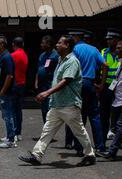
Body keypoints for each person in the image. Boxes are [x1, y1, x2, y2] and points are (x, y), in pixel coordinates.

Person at [19, 35, 96, 167]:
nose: (57, 45)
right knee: (47, 130)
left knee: (79, 132)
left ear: (67, 46)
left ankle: (90, 155)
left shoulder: (72, 61)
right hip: (57, 104)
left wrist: (47, 92)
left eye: (60, 43)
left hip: (69, 104)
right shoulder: (61, 60)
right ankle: (37, 155)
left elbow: (66, 80)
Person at [65, 29, 109, 155]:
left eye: (71, 37)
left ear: (75, 37)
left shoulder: (75, 50)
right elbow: (105, 65)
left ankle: (79, 148)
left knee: (80, 117)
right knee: (95, 116)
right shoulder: (94, 49)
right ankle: (100, 147)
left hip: (79, 84)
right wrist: (101, 84)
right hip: (91, 83)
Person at [97, 40, 122, 160]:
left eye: (119, 48)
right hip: (115, 96)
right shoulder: (120, 62)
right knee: (113, 123)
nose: (116, 51)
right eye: (116, 48)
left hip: (120, 98)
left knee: (119, 125)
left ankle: (112, 152)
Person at [99, 28, 121, 145]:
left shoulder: (120, 52)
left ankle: (118, 140)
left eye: (111, 39)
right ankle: (102, 139)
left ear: (117, 40)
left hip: (119, 86)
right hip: (106, 86)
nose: (108, 41)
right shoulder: (103, 52)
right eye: (107, 39)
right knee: (104, 112)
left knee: (118, 112)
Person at [34, 35, 59, 128]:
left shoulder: (55, 56)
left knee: (49, 109)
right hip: (41, 86)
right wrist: (36, 81)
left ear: (48, 44)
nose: (41, 45)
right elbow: (39, 69)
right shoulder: (42, 55)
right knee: (44, 109)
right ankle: (46, 128)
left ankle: (50, 130)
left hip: (50, 86)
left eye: (43, 43)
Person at [11, 37, 28, 141]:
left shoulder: (13, 55)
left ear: (13, 44)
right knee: (18, 110)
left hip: (14, 84)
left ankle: (13, 133)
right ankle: (18, 132)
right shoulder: (24, 54)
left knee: (12, 110)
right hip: (22, 84)